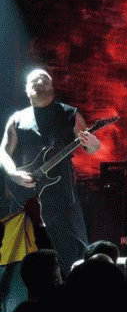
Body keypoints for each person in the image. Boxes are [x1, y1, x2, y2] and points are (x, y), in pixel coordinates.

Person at [0, 68, 101, 275]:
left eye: (44, 79)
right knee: (22, 259)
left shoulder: (70, 114)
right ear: (27, 89)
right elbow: (3, 152)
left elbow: (89, 147)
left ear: (52, 88)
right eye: (35, 80)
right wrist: (14, 174)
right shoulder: (17, 119)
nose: (39, 81)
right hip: (26, 194)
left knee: (69, 256)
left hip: (62, 197)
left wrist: (94, 145)